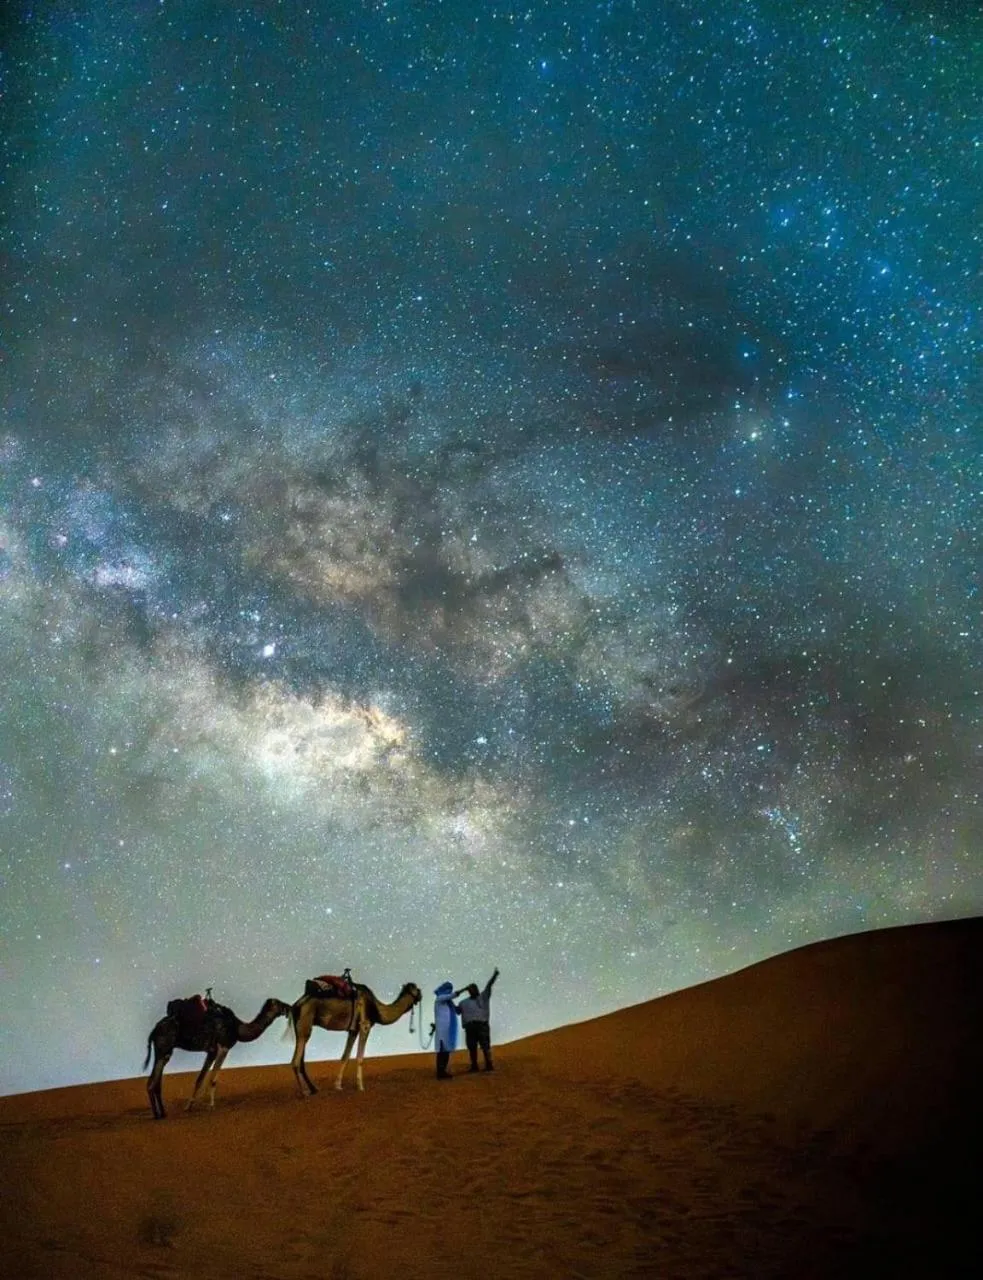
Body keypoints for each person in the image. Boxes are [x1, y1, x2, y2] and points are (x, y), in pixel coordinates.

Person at [455, 968, 499, 1072]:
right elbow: (457, 1011)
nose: (472, 990)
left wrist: (494, 975)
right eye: (469, 989)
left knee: (485, 1045)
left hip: (482, 1025)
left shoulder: (483, 997)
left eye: (473, 988)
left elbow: (489, 985)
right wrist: (449, 1002)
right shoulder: (463, 1002)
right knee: (472, 1047)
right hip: (469, 1027)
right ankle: (474, 1065)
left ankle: (489, 1064)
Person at [432, 980, 460, 1079]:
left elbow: (456, 1010)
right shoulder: (440, 998)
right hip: (442, 1029)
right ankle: (440, 1072)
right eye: (448, 989)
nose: (449, 991)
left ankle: (442, 1071)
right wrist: (464, 990)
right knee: (442, 1051)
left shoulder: (448, 1002)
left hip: (447, 1029)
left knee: (446, 1050)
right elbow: (454, 995)